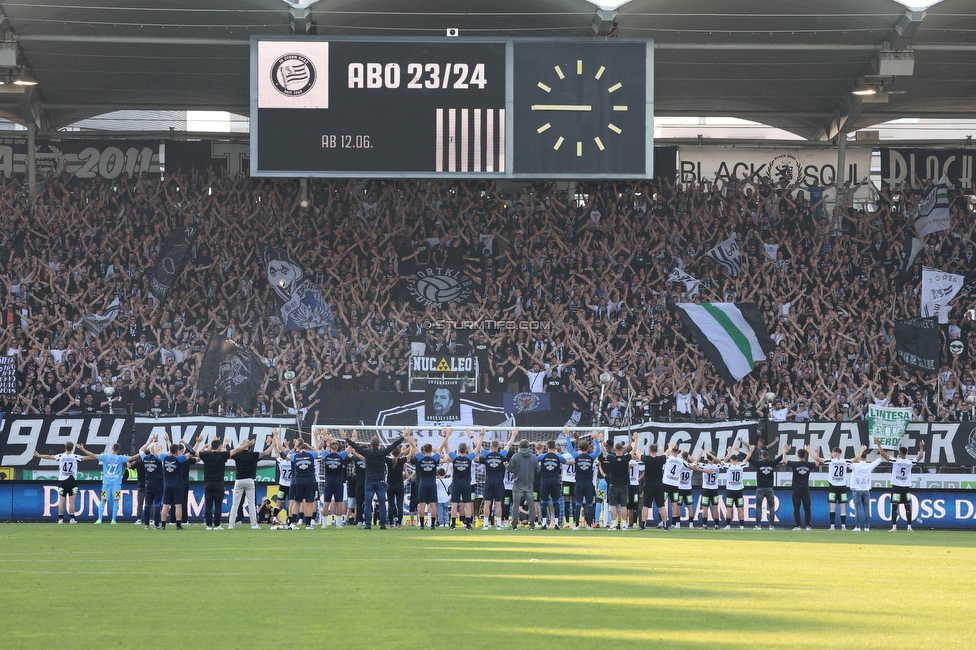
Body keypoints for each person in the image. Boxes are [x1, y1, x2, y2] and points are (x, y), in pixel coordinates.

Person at [345, 429, 405, 530]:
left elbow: (355, 447)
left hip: (369, 481)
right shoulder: (382, 453)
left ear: (370, 444)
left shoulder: (367, 453)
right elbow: (393, 445)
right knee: (382, 503)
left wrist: (346, 438)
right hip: (380, 481)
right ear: (379, 444)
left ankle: (368, 524)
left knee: (368, 503)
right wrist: (403, 436)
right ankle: (382, 524)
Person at [76, 442, 139, 524]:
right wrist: (142, 453)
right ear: (118, 450)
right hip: (116, 484)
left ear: (112, 448)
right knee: (116, 500)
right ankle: (113, 520)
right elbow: (133, 457)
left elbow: (92, 455)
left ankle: (99, 519)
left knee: (103, 500)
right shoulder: (120, 458)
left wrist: (82, 449)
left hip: (106, 483)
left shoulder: (105, 457)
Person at [196, 437, 249, 530]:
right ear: (219, 447)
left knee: (208, 505)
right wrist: (247, 445)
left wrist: (199, 445)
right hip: (218, 484)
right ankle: (217, 525)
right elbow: (236, 450)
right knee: (218, 506)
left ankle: (208, 525)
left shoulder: (206, 455)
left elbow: (194, 452)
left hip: (208, 484)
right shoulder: (222, 455)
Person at [32, 441, 90, 524]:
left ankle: (60, 519)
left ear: (65, 447)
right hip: (72, 481)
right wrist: (99, 456)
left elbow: (49, 457)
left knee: (61, 501)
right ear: (72, 448)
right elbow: (88, 457)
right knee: (71, 502)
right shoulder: (75, 457)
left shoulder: (61, 456)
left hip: (62, 482)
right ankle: (72, 519)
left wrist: (38, 455)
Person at [876, 437, 925, 532]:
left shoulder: (896, 461)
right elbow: (920, 457)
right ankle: (909, 527)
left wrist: (878, 444)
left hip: (896, 486)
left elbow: (883, 454)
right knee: (907, 506)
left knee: (895, 507)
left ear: (899, 453)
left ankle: (894, 527)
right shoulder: (909, 462)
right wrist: (921, 447)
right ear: (905, 453)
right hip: (905, 487)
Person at [437, 427, 478, 530]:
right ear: (465, 450)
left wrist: (446, 435)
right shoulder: (469, 458)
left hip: (456, 483)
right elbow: (478, 448)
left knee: (454, 504)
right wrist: (473, 436)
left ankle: (453, 525)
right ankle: (468, 524)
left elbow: (446, 448)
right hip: (466, 484)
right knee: (468, 504)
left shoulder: (455, 458)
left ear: (458, 450)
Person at [228, 438, 273, 530]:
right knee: (251, 503)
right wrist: (273, 443)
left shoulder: (237, 454)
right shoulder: (253, 454)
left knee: (235, 504)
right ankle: (254, 524)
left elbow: (229, 452)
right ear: (249, 447)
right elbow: (266, 453)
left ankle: (231, 525)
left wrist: (226, 444)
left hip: (239, 480)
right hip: (249, 480)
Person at [479, 428, 516, 530]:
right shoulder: (502, 455)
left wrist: (477, 436)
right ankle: (499, 524)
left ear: (490, 447)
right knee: (498, 503)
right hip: (499, 483)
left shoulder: (486, 454)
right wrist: (513, 435)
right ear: (499, 447)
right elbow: (508, 445)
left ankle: (486, 524)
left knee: (487, 503)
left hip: (488, 481)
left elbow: (479, 447)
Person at [809, 446, 853, 530]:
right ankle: (843, 526)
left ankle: (832, 526)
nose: (831, 454)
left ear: (835, 454)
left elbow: (816, 458)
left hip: (833, 487)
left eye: (832, 453)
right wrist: (861, 451)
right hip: (842, 487)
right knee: (842, 507)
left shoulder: (830, 461)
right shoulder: (845, 461)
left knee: (832, 507)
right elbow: (856, 459)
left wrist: (809, 451)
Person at [406, 431, 440, 529]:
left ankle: (421, 525)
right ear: (431, 450)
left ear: (423, 450)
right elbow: (441, 447)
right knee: (433, 505)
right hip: (432, 483)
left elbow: (413, 446)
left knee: (422, 505)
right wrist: (446, 436)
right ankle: (433, 525)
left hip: (423, 483)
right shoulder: (435, 458)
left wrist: (408, 436)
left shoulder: (420, 458)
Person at [568, 430, 602, 530]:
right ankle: (590, 525)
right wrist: (595, 440)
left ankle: (577, 525)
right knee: (589, 504)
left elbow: (570, 448)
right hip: (589, 484)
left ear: (580, 448)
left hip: (578, 483)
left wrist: (567, 436)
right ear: (588, 448)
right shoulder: (591, 457)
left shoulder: (576, 456)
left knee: (578, 503)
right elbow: (597, 451)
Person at [598, 440, 634, 530]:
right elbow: (633, 451)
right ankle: (624, 524)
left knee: (613, 505)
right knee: (624, 505)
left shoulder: (611, 458)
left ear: (614, 449)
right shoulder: (626, 459)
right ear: (622, 449)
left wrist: (601, 441)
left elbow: (603, 451)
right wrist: (635, 440)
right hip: (624, 485)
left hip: (613, 484)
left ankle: (613, 524)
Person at [159, 439, 195, 530]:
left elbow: (158, 453)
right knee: (178, 505)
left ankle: (163, 525)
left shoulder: (164, 458)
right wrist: (185, 443)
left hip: (167, 485)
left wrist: (166, 442)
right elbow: (192, 452)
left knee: (166, 505)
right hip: (178, 485)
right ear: (178, 451)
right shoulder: (179, 459)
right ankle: (178, 525)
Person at [636, 439, 670, 531]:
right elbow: (666, 454)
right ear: (657, 450)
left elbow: (638, 452)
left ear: (649, 450)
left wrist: (635, 441)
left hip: (649, 485)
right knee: (661, 505)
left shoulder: (647, 459)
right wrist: (670, 447)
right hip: (659, 485)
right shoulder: (660, 459)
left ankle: (643, 525)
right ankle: (665, 525)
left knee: (646, 505)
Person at [319, 431, 352, 527]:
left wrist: (323, 438)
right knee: (339, 503)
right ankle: (338, 524)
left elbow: (319, 447)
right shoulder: (341, 456)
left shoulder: (326, 455)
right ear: (337, 447)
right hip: (338, 482)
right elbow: (350, 448)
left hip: (328, 482)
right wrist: (352, 438)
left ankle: (324, 524)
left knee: (326, 503)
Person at [783, 444, 818, 530]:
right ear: (805, 456)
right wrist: (816, 452)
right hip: (805, 489)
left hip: (796, 489)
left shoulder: (795, 464)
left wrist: (784, 450)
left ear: (798, 456)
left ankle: (798, 525)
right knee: (807, 508)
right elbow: (817, 463)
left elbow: (784, 460)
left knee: (796, 508)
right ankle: (808, 525)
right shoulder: (808, 465)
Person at [287, 441, 321, 530]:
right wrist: (311, 447)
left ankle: (293, 522)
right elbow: (320, 451)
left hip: (298, 481)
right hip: (310, 481)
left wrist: (295, 448)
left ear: (300, 449)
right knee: (309, 503)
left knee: (296, 502)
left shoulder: (295, 456)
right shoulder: (311, 455)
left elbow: (287, 456)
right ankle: (308, 524)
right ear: (307, 449)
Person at [507, 438, 538, 530]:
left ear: (520, 446)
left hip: (518, 483)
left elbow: (509, 469)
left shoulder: (515, 456)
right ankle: (532, 525)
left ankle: (514, 525)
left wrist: (506, 466)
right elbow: (537, 470)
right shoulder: (533, 457)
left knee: (515, 505)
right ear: (528, 446)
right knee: (531, 505)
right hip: (529, 483)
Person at [537, 438, 567, 530]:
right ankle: (557, 524)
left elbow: (534, 461)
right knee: (556, 502)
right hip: (555, 482)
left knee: (544, 502)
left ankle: (544, 524)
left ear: (546, 447)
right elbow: (567, 462)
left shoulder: (542, 456)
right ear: (555, 447)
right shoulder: (558, 457)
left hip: (545, 482)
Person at [137, 435, 165, 529]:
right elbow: (161, 459)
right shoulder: (158, 458)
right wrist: (156, 441)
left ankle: (146, 524)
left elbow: (140, 450)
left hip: (148, 483)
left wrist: (149, 441)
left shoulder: (145, 458)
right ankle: (156, 524)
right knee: (157, 504)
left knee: (147, 504)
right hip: (158, 484)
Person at [848, 444, 878, 532]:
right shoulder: (869, 465)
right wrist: (881, 456)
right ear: (866, 457)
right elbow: (877, 461)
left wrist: (861, 451)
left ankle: (857, 527)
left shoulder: (855, 466)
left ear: (859, 457)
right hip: (866, 490)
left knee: (857, 509)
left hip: (856, 490)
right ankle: (867, 527)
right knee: (866, 509)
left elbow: (850, 462)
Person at [750, 445, 779, 530]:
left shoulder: (758, 463)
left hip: (760, 488)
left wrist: (743, 452)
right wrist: (785, 451)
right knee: (771, 507)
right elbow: (779, 458)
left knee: (758, 507)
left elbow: (749, 459)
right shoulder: (772, 463)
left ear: (761, 456)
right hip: (770, 488)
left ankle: (758, 525)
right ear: (768, 456)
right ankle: (771, 526)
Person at [723, 446, 752, 529]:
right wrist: (750, 452)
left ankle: (728, 525)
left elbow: (721, 462)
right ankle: (742, 526)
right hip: (739, 490)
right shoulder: (740, 466)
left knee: (729, 508)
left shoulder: (728, 466)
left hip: (730, 491)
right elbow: (747, 459)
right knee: (740, 508)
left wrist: (728, 452)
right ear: (737, 460)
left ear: (731, 460)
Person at [386, 441, 408, 528]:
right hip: (400, 486)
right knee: (400, 505)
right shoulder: (402, 461)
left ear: (391, 452)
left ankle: (391, 524)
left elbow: (383, 454)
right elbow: (410, 454)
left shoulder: (388, 460)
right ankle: (399, 524)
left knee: (391, 505)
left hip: (390, 486)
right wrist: (411, 446)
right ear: (399, 453)